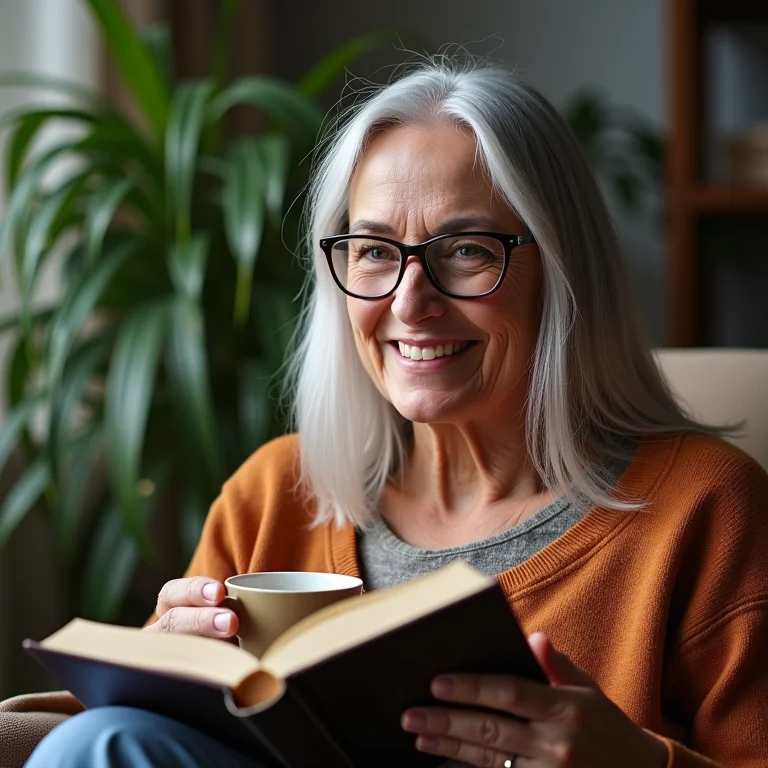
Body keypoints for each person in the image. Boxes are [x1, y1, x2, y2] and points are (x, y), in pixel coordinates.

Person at [26, 57, 768, 768]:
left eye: (468, 249)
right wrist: (159, 664)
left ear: (562, 270)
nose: (410, 302)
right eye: (375, 252)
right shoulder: (273, 494)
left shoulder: (706, 509)